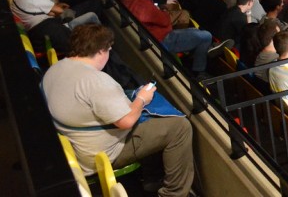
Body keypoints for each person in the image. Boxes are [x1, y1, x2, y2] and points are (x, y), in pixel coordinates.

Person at [43, 24, 194, 197]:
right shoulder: (96, 81)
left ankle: (153, 179)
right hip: (99, 154)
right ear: (101, 51)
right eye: (108, 50)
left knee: (155, 124)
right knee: (180, 127)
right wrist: (142, 98)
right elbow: (126, 121)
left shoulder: (55, 69)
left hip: (77, 145)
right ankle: (174, 193)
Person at [118, 0, 228, 77]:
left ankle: (201, 52)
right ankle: (198, 72)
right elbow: (164, 20)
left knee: (196, 31)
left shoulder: (122, 1)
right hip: (162, 40)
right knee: (206, 36)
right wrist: (163, 11)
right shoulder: (141, 2)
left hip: (152, 38)